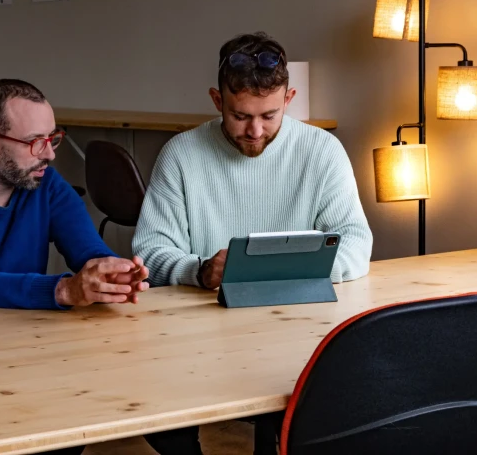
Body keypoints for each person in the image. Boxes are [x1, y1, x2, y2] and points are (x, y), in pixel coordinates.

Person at [133, 32, 373, 455]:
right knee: (163, 405)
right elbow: (151, 250)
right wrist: (201, 270)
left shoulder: (322, 151)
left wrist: (296, 265)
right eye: (240, 115)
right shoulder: (181, 154)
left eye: (270, 114)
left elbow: (355, 241)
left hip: (298, 328)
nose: (255, 131)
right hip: (200, 336)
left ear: (290, 98)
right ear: (216, 100)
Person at [0, 79, 149, 314]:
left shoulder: (47, 184)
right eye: (35, 142)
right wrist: (62, 290)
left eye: (52, 138)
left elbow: (88, 251)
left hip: (24, 333)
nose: (49, 154)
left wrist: (113, 275)